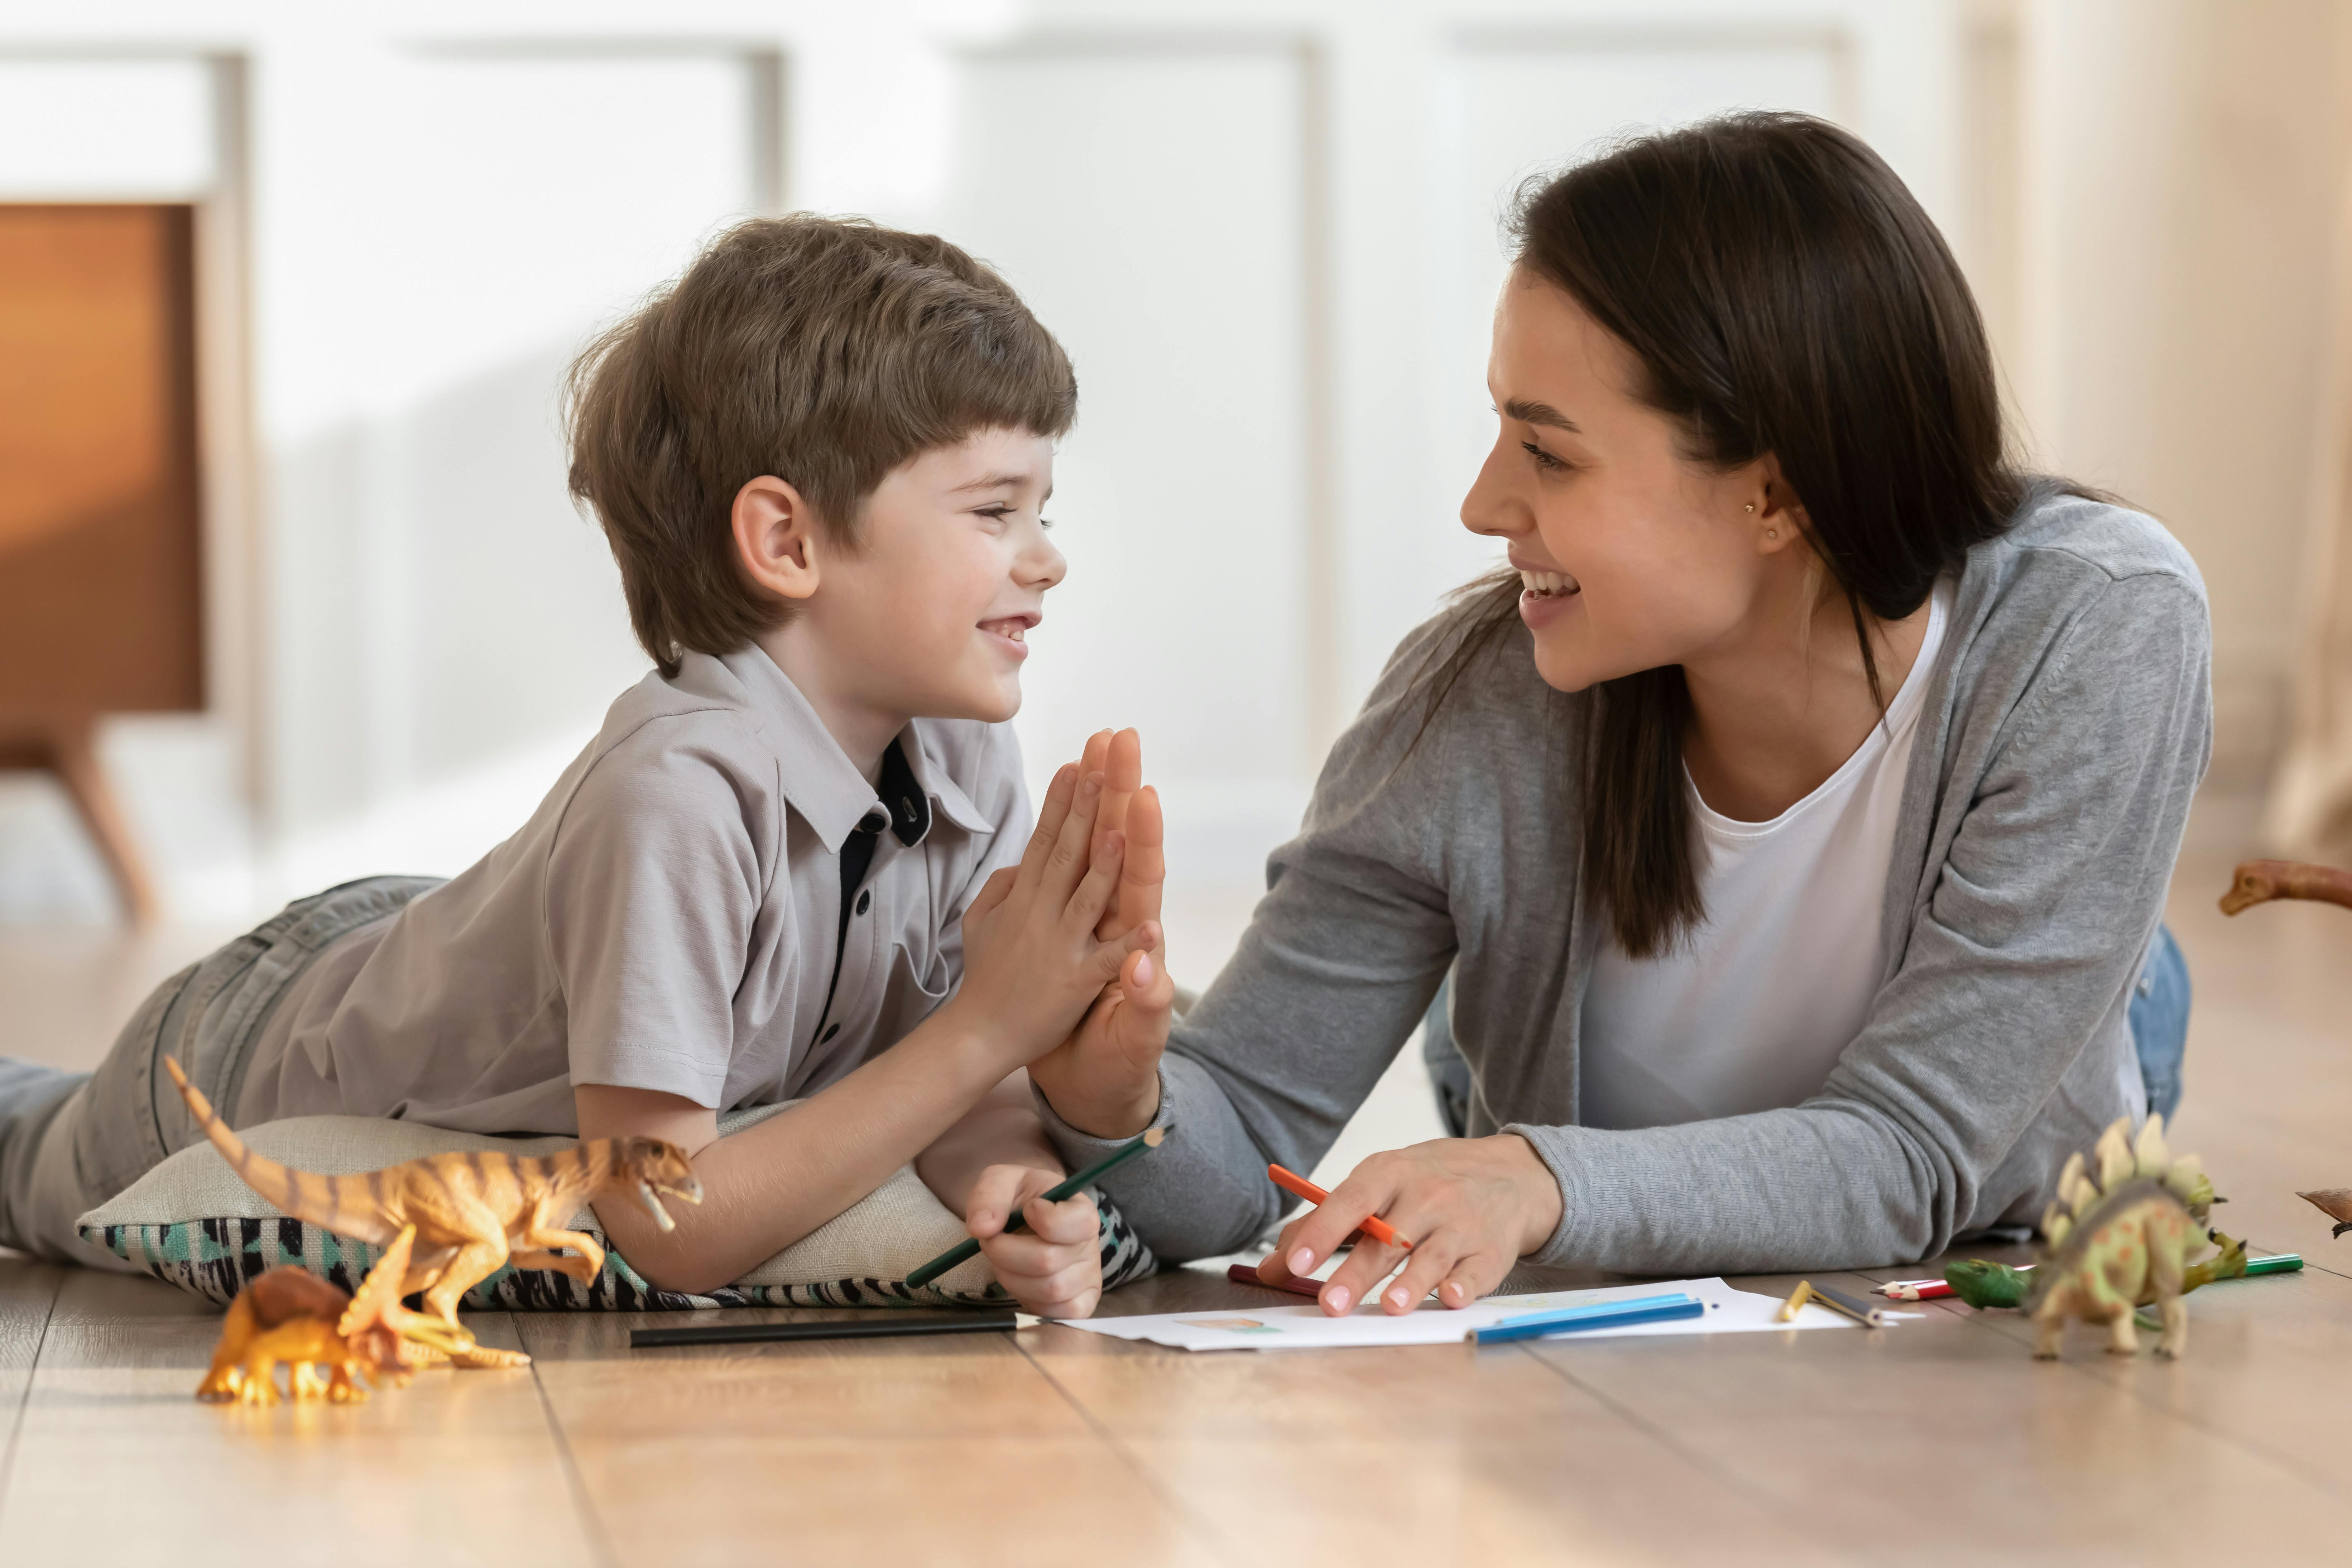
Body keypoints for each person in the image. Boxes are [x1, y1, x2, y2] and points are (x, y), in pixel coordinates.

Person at [1026, 112, 2211, 1316]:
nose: (1484, 504)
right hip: (1571, 1064)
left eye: (1549, 453)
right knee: (1485, 1027)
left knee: (2111, 992)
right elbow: (1228, 1147)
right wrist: (1121, 1102)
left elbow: (1916, 1152)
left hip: (2009, 1119)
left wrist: (1537, 1174)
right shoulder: (1478, 694)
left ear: (1775, 492)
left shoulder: (2095, 624)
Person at [0, 216, 1176, 1320]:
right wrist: (989, 1026)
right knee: (21, 1153)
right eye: (995, 512)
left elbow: (958, 1087)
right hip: (249, 1039)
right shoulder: (677, 792)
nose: (1050, 559)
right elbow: (666, 1216)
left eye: (1045, 509)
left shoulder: (963, 749)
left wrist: (1017, 1186)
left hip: (451, 942)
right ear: (787, 542)